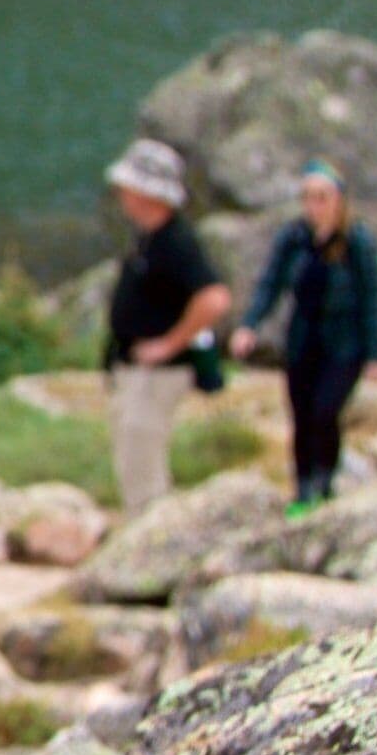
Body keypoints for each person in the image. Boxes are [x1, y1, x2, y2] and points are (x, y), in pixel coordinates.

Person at [231, 160, 377, 517]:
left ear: (338, 199)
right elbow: (270, 284)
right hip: (303, 342)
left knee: (325, 411)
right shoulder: (294, 239)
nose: (314, 206)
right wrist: (250, 325)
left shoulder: (359, 242)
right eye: (307, 198)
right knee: (301, 414)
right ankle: (303, 488)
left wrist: (376, 354)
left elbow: (373, 298)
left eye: (322, 197)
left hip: (344, 344)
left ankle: (325, 481)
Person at [101, 138, 230, 517]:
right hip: (135, 367)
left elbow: (214, 298)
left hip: (156, 373)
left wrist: (169, 344)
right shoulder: (149, 238)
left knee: (143, 461)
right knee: (130, 457)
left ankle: (150, 540)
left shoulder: (176, 242)